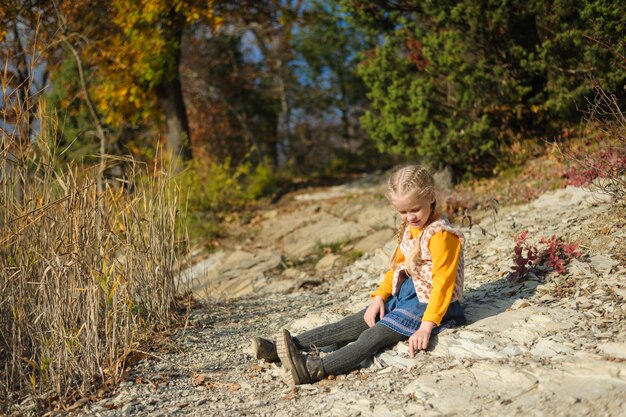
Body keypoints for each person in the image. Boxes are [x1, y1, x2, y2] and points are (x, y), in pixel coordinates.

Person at [251, 165, 467, 386]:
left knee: (371, 338)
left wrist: (426, 326)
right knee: (350, 325)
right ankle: (280, 348)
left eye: (415, 210)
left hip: (429, 306)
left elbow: (443, 283)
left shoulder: (441, 236)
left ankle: (312, 369)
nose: (410, 217)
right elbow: (397, 268)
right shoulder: (412, 228)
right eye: (403, 212)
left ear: (431, 196)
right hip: (407, 295)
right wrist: (380, 297)